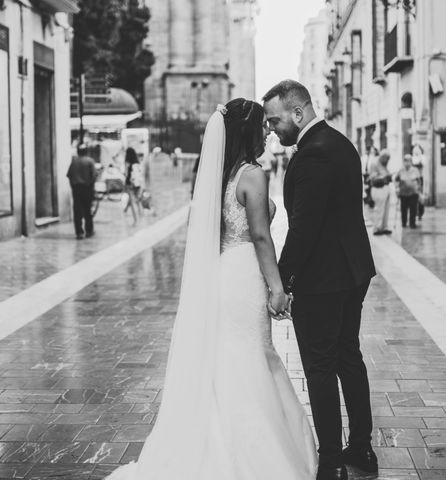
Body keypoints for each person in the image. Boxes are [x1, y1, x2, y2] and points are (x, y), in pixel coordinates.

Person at [105, 99, 317, 480]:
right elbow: (260, 235)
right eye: (262, 127)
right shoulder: (252, 174)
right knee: (250, 353)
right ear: (247, 132)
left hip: (223, 272)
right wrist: (276, 287)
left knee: (227, 355)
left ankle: (211, 444)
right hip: (245, 274)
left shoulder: (217, 176)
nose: (268, 132)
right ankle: (252, 455)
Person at [263, 80, 377, 480]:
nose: (273, 129)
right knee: (348, 356)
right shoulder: (340, 143)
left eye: (276, 120)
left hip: (324, 281)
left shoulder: (311, 156)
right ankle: (361, 447)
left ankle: (329, 461)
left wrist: (283, 281)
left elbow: (305, 229)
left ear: (298, 112)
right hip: (353, 271)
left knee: (321, 367)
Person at [67, 144, 97, 239]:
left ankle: (79, 232)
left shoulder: (74, 161)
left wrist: (73, 186)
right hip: (87, 188)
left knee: (77, 211)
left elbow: (69, 175)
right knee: (87, 210)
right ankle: (89, 230)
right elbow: (94, 176)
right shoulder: (90, 161)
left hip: (76, 189)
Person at [368, 150, 393, 235]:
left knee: (386, 209)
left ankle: (384, 226)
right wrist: (384, 177)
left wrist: (389, 176)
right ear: (382, 157)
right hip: (378, 188)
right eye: (387, 159)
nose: (387, 161)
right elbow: (373, 178)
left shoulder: (384, 165)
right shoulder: (374, 163)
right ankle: (377, 228)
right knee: (379, 209)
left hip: (385, 188)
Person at [395, 154, 422, 229]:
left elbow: (419, 181)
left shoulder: (415, 170)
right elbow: (396, 180)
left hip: (413, 193)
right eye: (405, 161)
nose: (407, 163)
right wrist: (397, 189)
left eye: (409, 161)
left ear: (411, 162)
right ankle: (404, 223)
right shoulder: (401, 170)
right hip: (403, 193)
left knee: (413, 209)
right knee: (403, 209)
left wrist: (419, 190)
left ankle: (412, 223)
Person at [123, 147, 144, 224]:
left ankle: (135, 219)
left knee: (132, 201)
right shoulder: (137, 162)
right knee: (137, 199)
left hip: (130, 183)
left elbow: (126, 173)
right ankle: (141, 213)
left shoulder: (128, 163)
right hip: (138, 183)